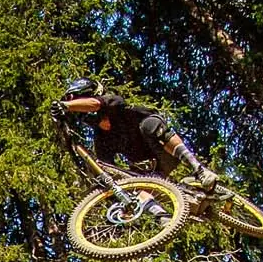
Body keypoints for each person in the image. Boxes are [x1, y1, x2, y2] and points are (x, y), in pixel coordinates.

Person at [51, 78, 220, 190]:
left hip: (164, 149)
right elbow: (106, 170)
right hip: (152, 170)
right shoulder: (102, 140)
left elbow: (95, 104)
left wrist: (66, 105)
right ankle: (163, 219)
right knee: (132, 184)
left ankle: (199, 170)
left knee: (150, 125)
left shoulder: (113, 102)